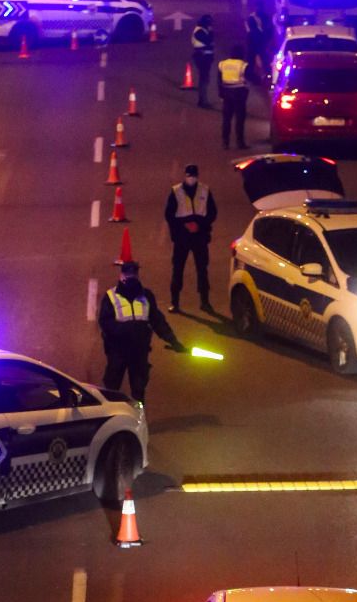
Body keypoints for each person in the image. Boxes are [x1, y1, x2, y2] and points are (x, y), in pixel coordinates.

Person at [98, 260, 184, 404]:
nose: (130, 276)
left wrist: (173, 341)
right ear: (121, 275)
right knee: (111, 391)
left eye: (133, 273)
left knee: (138, 393)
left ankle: (138, 423)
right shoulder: (111, 297)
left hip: (139, 353)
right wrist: (128, 330)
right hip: (118, 352)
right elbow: (105, 323)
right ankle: (113, 423)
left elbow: (157, 321)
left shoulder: (146, 296)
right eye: (127, 273)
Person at [164, 163, 217, 314]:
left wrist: (200, 225)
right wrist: (185, 225)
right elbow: (169, 215)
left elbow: (212, 213)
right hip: (182, 238)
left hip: (199, 237)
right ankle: (175, 302)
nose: (191, 179)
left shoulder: (205, 191)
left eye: (193, 176)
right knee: (178, 269)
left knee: (202, 270)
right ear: (185, 176)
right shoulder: (176, 192)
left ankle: (205, 302)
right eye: (189, 176)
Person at [217, 45, 250, 149]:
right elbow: (251, 77)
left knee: (227, 118)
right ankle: (240, 142)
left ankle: (225, 142)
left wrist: (221, 94)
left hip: (226, 92)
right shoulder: (243, 65)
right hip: (239, 93)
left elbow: (219, 80)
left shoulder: (222, 64)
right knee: (240, 118)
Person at [191, 14, 215, 108]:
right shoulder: (199, 31)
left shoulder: (203, 30)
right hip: (202, 57)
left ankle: (202, 100)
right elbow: (209, 41)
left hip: (205, 57)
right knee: (204, 79)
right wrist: (211, 32)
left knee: (204, 79)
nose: (211, 25)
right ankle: (203, 101)